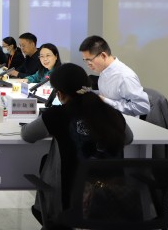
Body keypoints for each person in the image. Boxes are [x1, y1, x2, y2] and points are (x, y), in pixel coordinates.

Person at [21, 63, 133, 228]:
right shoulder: (111, 113)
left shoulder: (56, 115)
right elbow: (128, 138)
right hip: (110, 200)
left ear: (59, 94)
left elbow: (27, 135)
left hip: (67, 203)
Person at [79, 35, 150, 117]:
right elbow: (110, 95)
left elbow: (143, 107)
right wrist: (90, 92)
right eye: (85, 60)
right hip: (108, 117)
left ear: (103, 56)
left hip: (124, 122)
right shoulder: (104, 71)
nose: (88, 65)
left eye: (89, 60)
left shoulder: (124, 76)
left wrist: (106, 101)